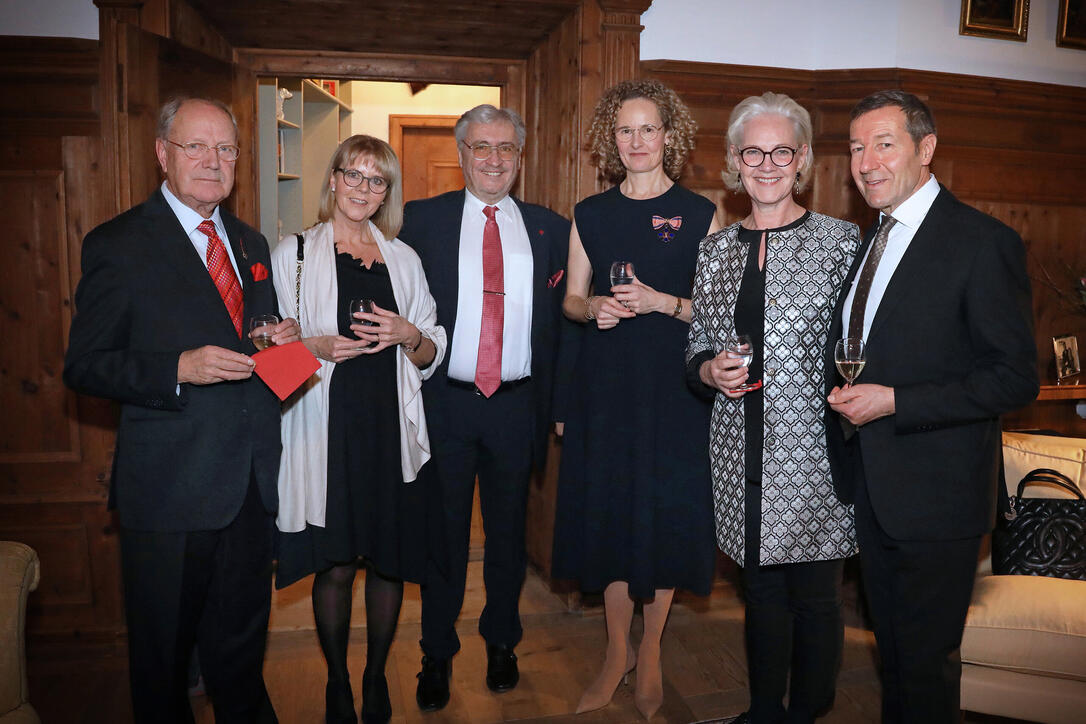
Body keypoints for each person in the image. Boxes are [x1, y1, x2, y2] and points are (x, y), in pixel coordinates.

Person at [63, 97, 300, 723]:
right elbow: (84, 365)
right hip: (169, 493)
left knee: (242, 655)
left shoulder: (249, 242)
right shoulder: (117, 244)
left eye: (225, 149)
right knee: (164, 666)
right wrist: (176, 368)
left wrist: (285, 347)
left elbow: (261, 356)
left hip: (250, 487)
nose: (212, 161)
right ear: (163, 153)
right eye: (196, 146)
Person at [825, 90, 1038, 723]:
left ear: (927, 148)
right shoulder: (870, 241)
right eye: (857, 148)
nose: (867, 162)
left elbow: (1014, 379)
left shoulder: (980, 242)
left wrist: (896, 400)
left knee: (925, 665)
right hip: (874, 487)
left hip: (939, 496)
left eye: (883, 144)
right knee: (895, 656)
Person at [685, 92, 860, 724]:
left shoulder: (842, 244)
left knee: (815, 599)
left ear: (802, 157)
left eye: (780, 150)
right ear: (734, 158)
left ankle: (808, 711)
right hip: (739, 452)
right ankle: (763, 711)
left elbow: (863, 349)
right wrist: (708, 367)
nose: (765, 164)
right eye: (751, 151)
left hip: (814, 457)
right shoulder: (715, 250)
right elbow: (698, 344)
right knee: (758, 593)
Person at [551, 79, 722, 720]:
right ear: (610, 140)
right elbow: (570, 297)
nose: (637, 141)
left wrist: (660, 303)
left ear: (669, 136)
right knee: (613, 516)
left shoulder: (703, 213)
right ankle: (615, 651)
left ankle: (651, 651)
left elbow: (723, 307)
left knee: (666, 516)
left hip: (676, 390)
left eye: (649, 128)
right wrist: (589, 305)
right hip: (606, 387)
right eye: (625, 130)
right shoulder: (590, 213)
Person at [398, 104, 571, 711]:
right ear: (462, 153)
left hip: (516, 407)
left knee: (507, 539)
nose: (494, 159)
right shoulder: (418, 221)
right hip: (444, 402)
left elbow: (563, 327)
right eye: (481, 147)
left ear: (519, 158)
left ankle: (502, 641)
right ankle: (436, 654)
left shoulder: (550, 228)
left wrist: (559, 403)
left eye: (505, 148)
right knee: (442, 537)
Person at [270, 135, 446, 724]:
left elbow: (431, 350)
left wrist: (407, 335)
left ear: (387, 192)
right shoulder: (293, 253)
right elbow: (271, 355)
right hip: (328, 427)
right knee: (337, 563)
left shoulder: (404, 259)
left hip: (390, 428)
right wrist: (313, 345)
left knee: (389, 560)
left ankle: (375, 677)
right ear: (333, 179)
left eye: (377, 181)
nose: (363, 189)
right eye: (354, 175)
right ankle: (337, 681)